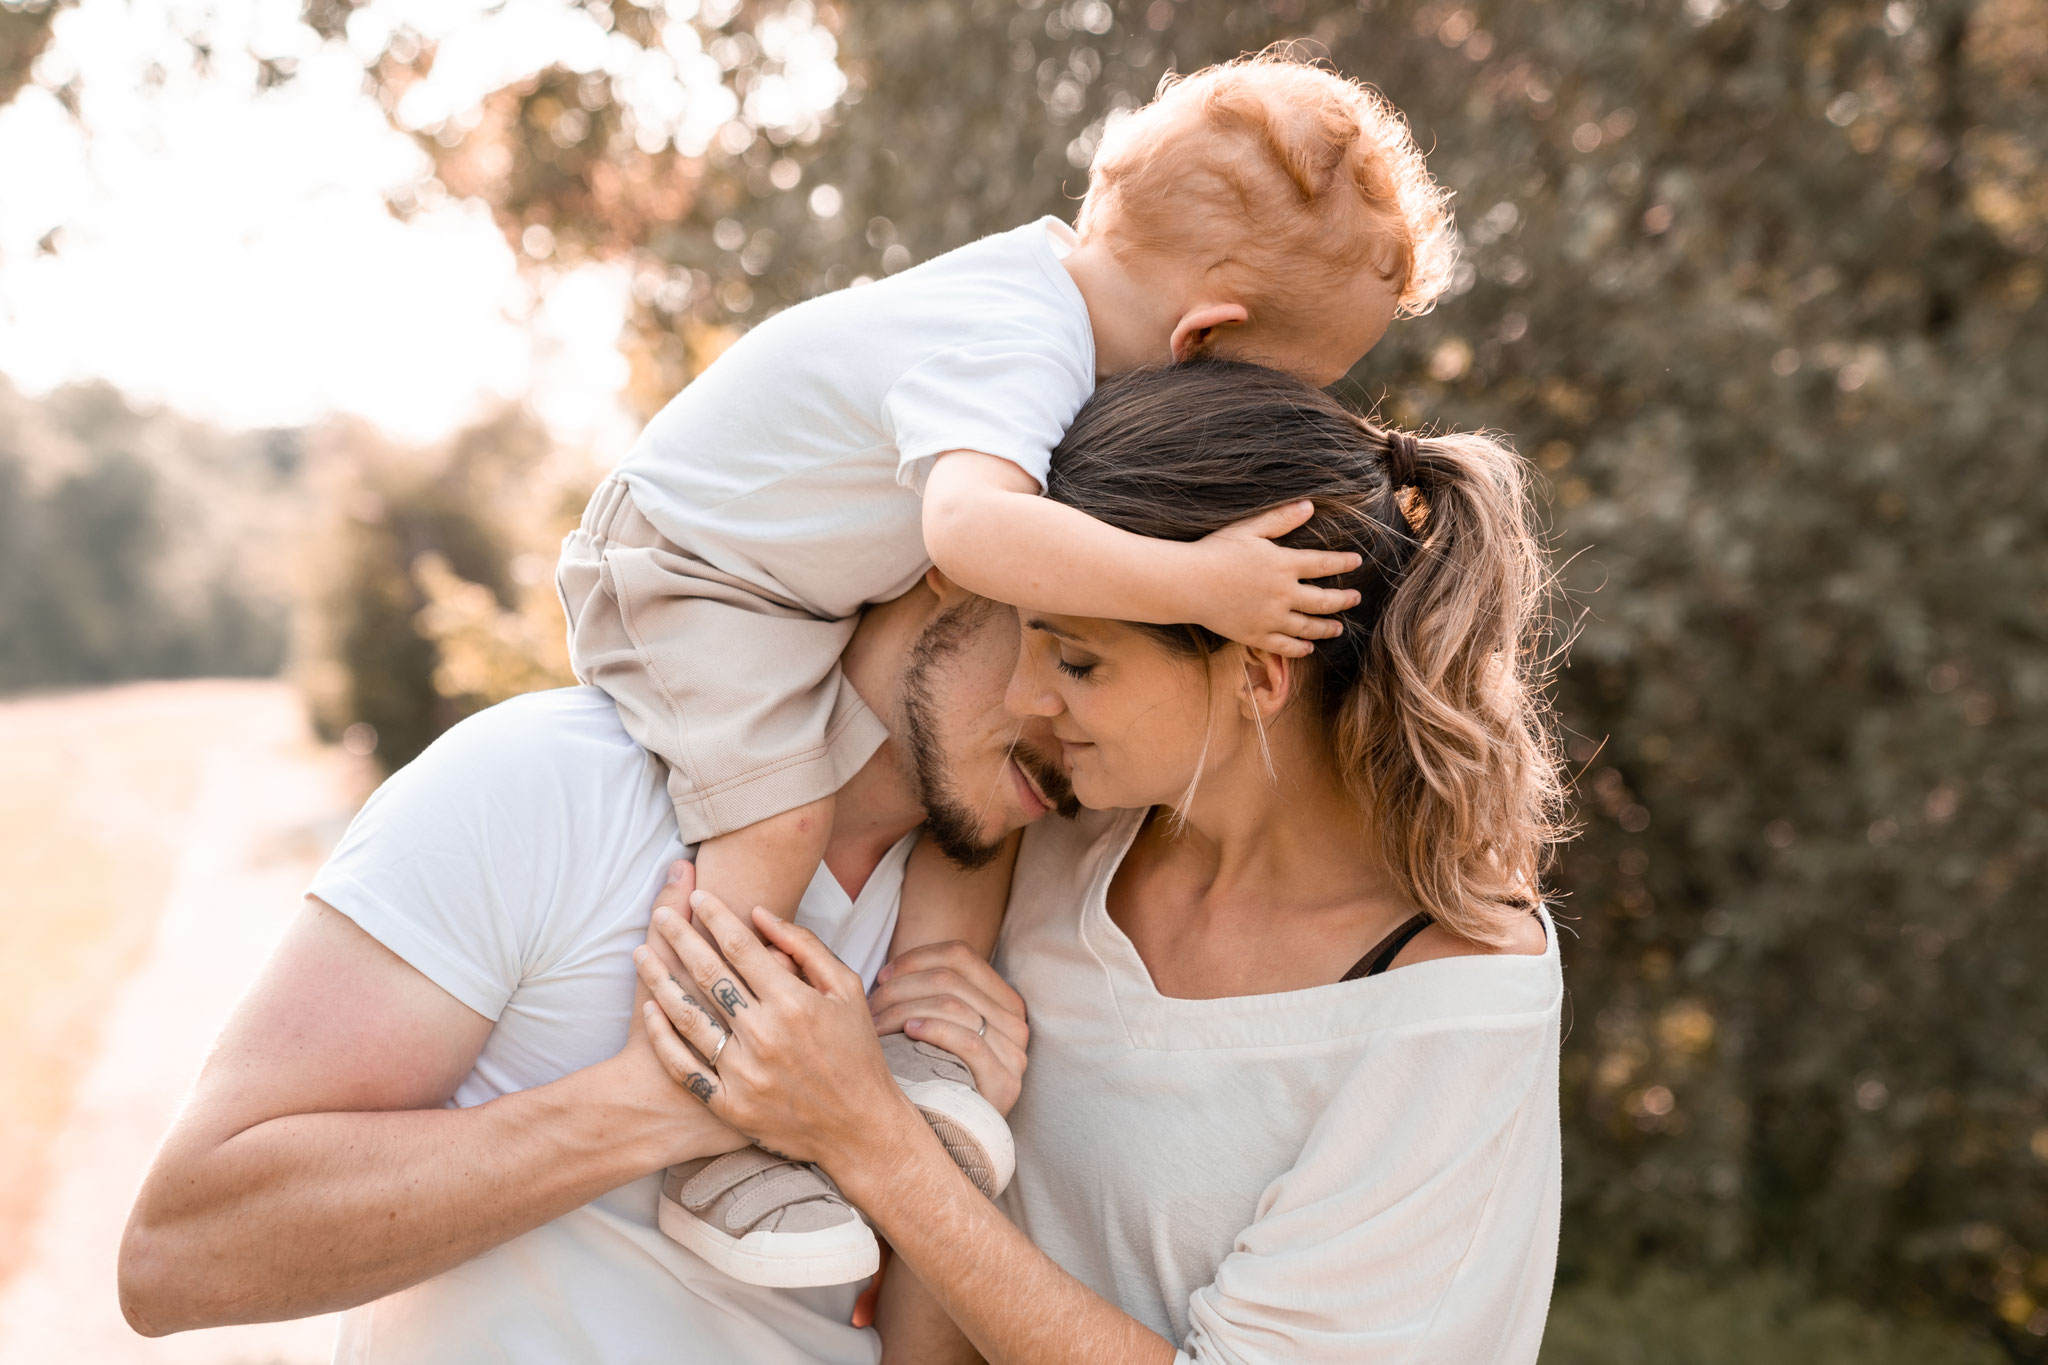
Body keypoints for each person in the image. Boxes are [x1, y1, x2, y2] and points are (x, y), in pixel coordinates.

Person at [557, 50, 1459, 1281]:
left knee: (984, 813)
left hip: (780, 578)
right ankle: (713, 1117)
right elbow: (969, 533)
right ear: (1206, 339)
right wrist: (1197, 584)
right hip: (685, 570)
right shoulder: (1016, 339)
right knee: (779, 821)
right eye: (1274, 389)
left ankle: (922, 1042)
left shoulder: (1048, 303)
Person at [634, 358, 1571, 1363]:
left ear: (1256, 672)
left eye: (1076, 661)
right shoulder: (1056, 838)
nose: (1026, 696)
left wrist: (871, 1139)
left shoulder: (1452, 1003)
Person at [115, 574, 1074, 1361]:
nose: (1074, 724)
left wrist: (932, 1155)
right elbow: (180, 1253)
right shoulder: (550, 780)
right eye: (1065, 647)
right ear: (956, 568)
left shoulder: (1001, 931)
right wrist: (671, 1097)